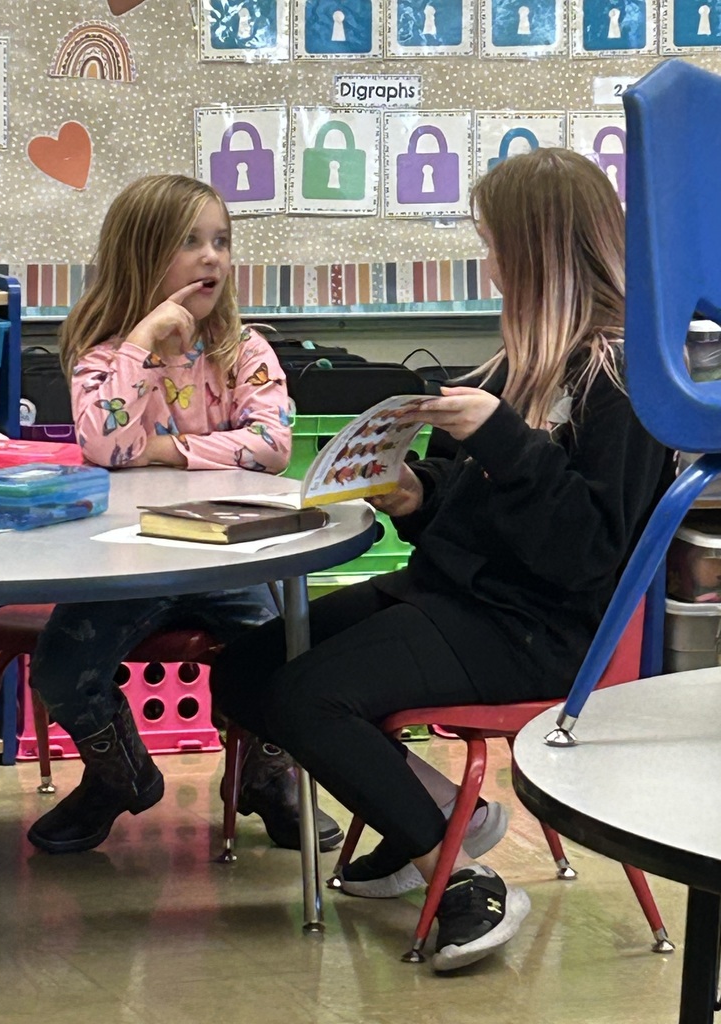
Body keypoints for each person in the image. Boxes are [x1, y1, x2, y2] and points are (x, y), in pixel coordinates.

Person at [210, 149, 675, 972]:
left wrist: (503, 440)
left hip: (538, 630)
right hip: (459, 599)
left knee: (310, 696)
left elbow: (586, 552)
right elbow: (474, 513)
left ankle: (461, 876)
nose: (489, 266)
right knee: (247, 668)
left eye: (495, 246)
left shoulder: (622, 378)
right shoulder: (514, 365)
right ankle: (442, 813)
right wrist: (417, 494)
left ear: (538, 253)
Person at [26, 174, 344, 856]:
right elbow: (105, 444)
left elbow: (270, 446)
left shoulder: (243, 351)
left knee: (281, 655)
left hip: (227, 557)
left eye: (221, 242)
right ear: (142, 255)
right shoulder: (106, 357)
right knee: (58, 668)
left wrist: (164, 451)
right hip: (127, 563)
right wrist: (145, 342)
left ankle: (264, 779)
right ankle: (119, 776)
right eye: (190, 242)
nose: (211, 257)